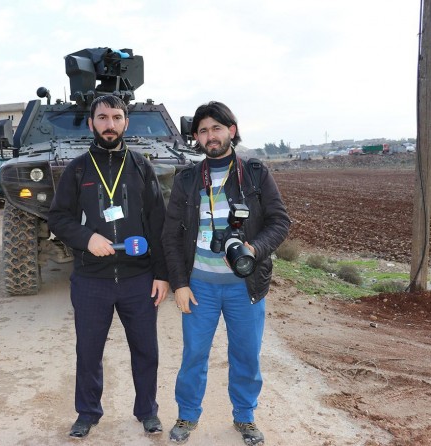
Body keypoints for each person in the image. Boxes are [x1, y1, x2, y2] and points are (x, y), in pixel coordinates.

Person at [161, 102, 290, 445]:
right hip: (200, 286)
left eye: (216, 128)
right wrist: (180, 284)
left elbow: (280, 222)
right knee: (194, 355)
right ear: (196, 137)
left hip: (244, 286)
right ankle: (187, 414)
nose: (210, 136)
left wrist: (254, 249)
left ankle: (245, 417)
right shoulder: (187, 179)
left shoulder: (255, 173)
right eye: (203, 131)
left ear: (231, 130)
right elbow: (170, 235)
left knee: (246, 355)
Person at [48, 94, 170, 439]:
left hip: (138, 278)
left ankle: (147, 411)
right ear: (91, 123)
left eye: (116, 117)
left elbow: (158, 224)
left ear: (126, 122)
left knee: (146, 351)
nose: (110, 124)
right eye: (102, 118)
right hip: (91, 279)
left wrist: (162, 274)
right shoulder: (77, 170)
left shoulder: (142, 167)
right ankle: (87, 413)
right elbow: (58, 218)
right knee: (88, 352)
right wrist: (87, 238)